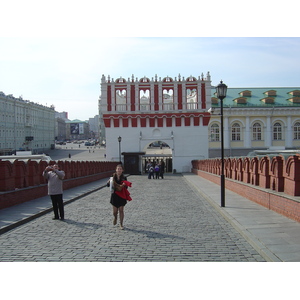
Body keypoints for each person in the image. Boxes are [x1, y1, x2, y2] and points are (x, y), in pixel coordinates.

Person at [107, 164, 129, 230]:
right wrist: (108, 182)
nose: (119, 170)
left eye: (120, 169)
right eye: (118, 169)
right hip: (114, 195)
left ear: (122, 170)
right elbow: (108, 185)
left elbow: (126, 187)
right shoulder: (113, 176)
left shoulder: (124, 178)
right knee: (115, 212)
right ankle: (115, 217)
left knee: (121, 210)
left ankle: (121, 224)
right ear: (116, 170)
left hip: (122, 195)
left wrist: (124, 185)